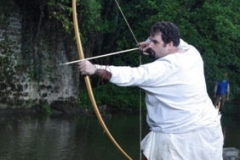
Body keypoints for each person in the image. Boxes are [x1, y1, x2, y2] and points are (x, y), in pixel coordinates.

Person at [78, 21, 223, 160]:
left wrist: (95, 69)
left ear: (170, 44)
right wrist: (149, 42)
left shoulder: (164, 68)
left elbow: (132, 75)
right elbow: (180, 41)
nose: (151, 45)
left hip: (179, 141)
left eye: (156, 42)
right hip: (208, 132)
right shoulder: (191, 52)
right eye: (151, 40)